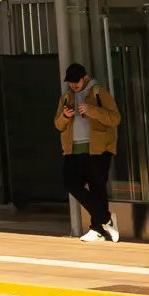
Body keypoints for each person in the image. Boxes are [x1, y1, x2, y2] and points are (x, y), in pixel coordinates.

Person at [56, 62, 123, 242]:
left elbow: (115, 118)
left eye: (76, 83)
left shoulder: (98, 92)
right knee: (70, 183)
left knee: (97, 187)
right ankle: (106, 218)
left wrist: (91, 110)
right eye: (70, 84)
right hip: (73, 150)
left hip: (98, 150)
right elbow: (58, 124)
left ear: (85, 78)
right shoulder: (66, 97)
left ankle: (97, 229)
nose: (74, 87)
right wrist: (65, 116)